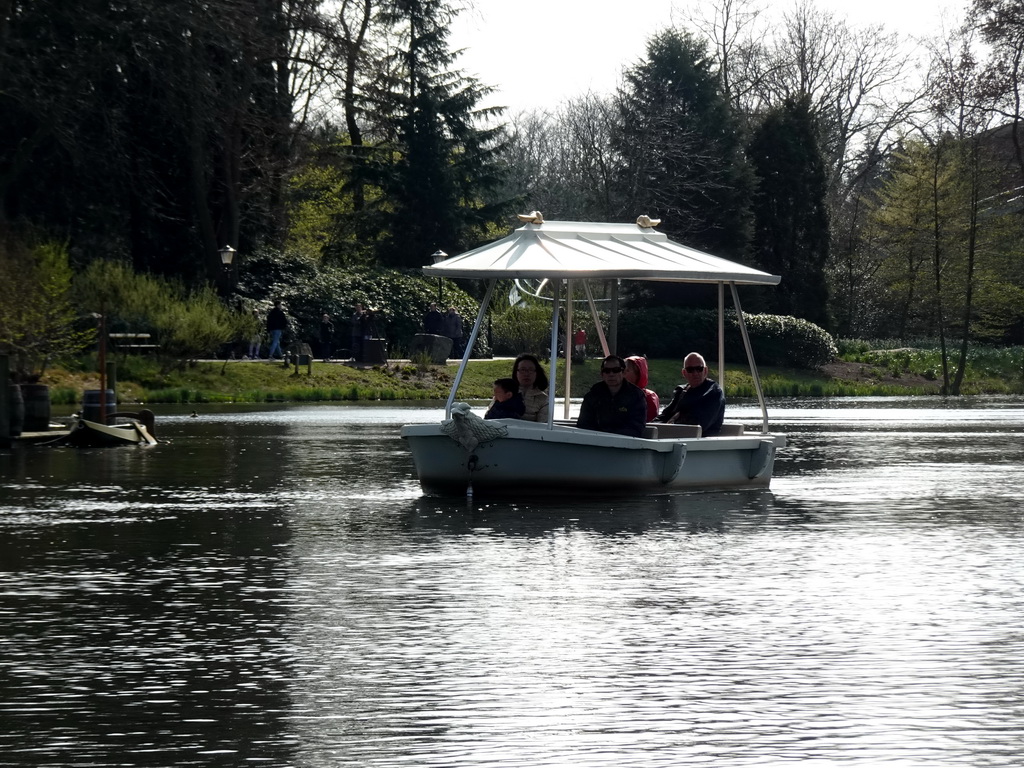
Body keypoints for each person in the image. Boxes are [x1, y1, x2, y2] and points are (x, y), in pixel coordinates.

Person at [576, 354, 648, 437]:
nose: (611, 374)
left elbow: (636, 427)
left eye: (616, 370)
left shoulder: (636, 396)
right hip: (595, 442)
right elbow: (583, 424)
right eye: (607, 371)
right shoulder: (592, 396)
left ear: (624, 372)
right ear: (602, 374)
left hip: (625, 444)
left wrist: (611, 437)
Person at [656, 352, 726, 436]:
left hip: (700, 443)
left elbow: (699, 424)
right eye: (690, 370)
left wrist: (674, 420)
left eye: (699, 368)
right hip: (674, 439)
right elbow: (665, 416)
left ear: (705, 371)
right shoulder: (681, 392)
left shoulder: (713, 393)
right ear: (684, 373)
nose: (695, 373)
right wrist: (649, 426)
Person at [512, 353, 549, 423]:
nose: (526, 374)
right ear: (516, 372)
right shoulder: (505, 392)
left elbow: (543, 427)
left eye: (531, 370)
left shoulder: (543, 399)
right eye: (523, 370)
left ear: (536, 373)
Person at [625, 355, 660, 422]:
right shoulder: (617, 394)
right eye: (622, 370)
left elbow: (651, 423)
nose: (622, 373)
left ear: (638, 374)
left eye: (627, 370)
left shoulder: (649, 397)